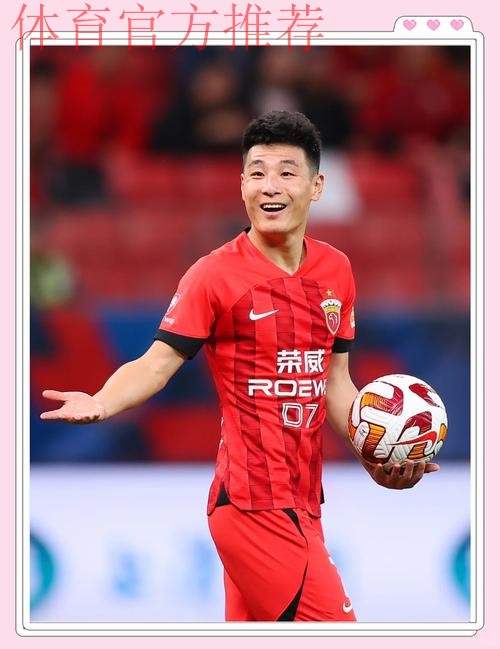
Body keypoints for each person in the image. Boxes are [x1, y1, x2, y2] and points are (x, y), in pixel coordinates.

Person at [40, 110, 439, 622]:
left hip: (305, 505)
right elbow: (156, 363)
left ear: (316, 186)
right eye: (257, 172)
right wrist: (102, 400)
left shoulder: (336, 269)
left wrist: (374, 455)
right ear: (242, 185)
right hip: (253, 506)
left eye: (287, 172)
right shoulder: (213, 275)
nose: (270, 186)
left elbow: (335, 384)